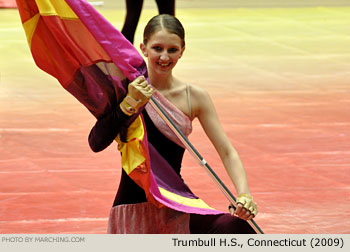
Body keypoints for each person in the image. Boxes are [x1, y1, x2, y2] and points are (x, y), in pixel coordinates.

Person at [88, 14, 258, 234]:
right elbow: (96, 142)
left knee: (235, 229)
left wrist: (244, 195)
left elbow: (227, 151)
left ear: (182, 50)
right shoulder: (126, 90)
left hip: (175, 204)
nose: (164, 57)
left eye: (172, 50)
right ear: (143, 48)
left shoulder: (193, 97)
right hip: (132, 210)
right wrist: (129, 104)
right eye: (157, 48)